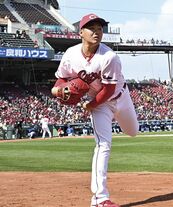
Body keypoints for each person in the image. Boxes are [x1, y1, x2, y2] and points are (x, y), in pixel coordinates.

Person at [51, 13, 139, 207]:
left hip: (120, 97)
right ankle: (100, 198)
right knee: (103, 145)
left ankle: (100, 198)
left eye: (100, 28)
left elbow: (107, 90)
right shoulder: (71, 54)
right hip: (100, 106)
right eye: (92, 28)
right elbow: (61, 79)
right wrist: (57, 89)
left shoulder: (109, 57)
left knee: (133, 132)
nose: (97, 32)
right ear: (81, 32)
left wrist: (89, 105)